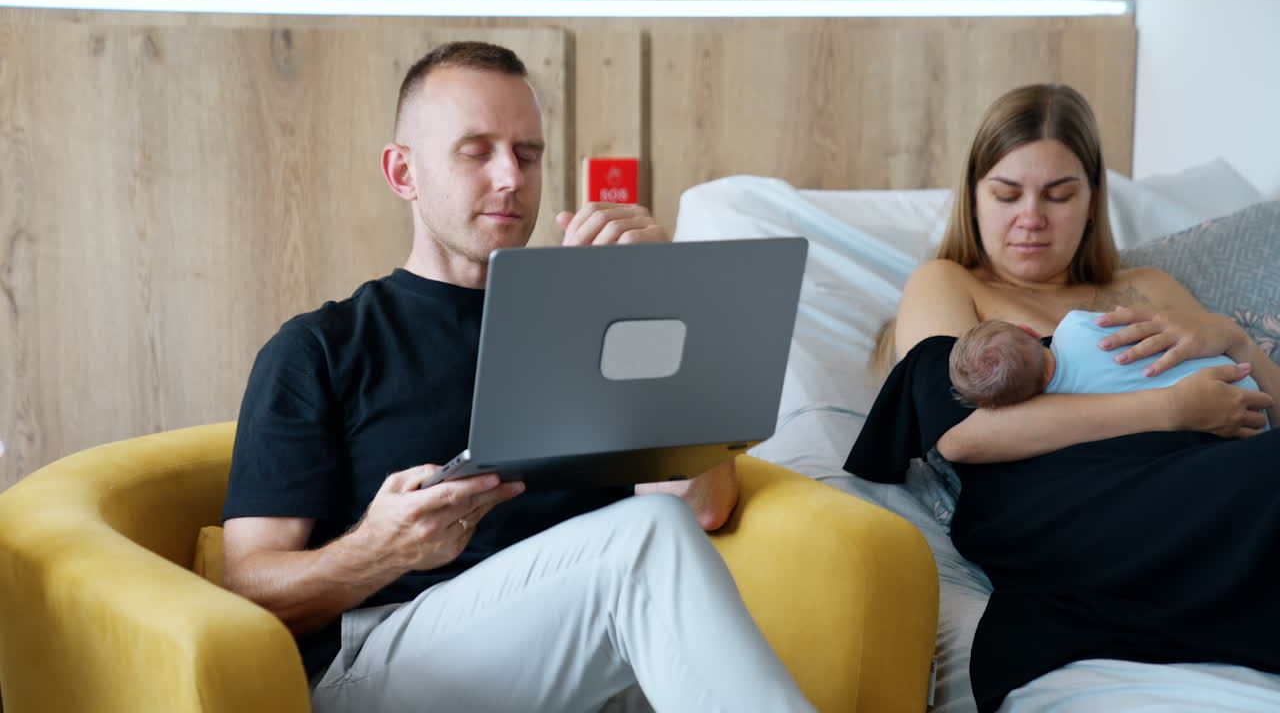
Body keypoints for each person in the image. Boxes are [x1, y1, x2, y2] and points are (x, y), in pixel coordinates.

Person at [220, 41, 815, 713]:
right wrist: (379, 550)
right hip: (384, 663)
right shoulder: (321, 348)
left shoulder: (596, 322)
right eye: (476, 152)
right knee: (646, 539)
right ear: (403, 172)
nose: (510, 177)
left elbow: (700, 506)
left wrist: (655, 294)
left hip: (587, 649)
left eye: (527, 155)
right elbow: (247, 592)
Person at [846, 83, 1279, 713]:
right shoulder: (949, 283)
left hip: (1202, 481)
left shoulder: (1148, 286)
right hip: (1065, 513)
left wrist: (1237, 341)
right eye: (1007, 194)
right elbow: (961, 433)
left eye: (1058, 195)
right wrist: (1169, 409)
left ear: (1092, 200)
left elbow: (1261, 407)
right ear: (973, 197)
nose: (1031, 218)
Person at [949, 312, 1267, 418]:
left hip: (1236, 423)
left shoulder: (1069, 410)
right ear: (1031, 331)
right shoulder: (1073, 326)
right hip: (1240, 379)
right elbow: (1132, 321)